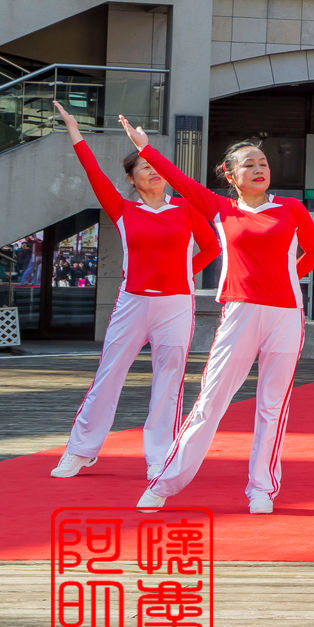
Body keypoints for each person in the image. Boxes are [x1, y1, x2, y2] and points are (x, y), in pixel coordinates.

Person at [122, 118, 314, 515]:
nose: (259, 168)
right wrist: (145, 149)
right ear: (232, 176)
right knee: (211, 399)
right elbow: (180, 181)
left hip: (286, 316)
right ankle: (165, 483)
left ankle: (261, 488)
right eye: (249, 164)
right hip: (240, 312)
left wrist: (283, 281)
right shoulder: (221, 208)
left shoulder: (292, 208)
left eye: (263, 162)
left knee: (272, 405)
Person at [48, 102, 218, 480]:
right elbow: (92, 173)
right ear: (131, 178)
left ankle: (160, 454)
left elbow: (212, 248)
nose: (154, 172)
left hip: (176, 305)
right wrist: (74, 130)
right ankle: (81, 449)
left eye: (156, 166)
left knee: (169, 380)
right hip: (132, 302)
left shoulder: (186, 210)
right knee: (109, 373)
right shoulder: (124, 210)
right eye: (145, 167)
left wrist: (183, 275)